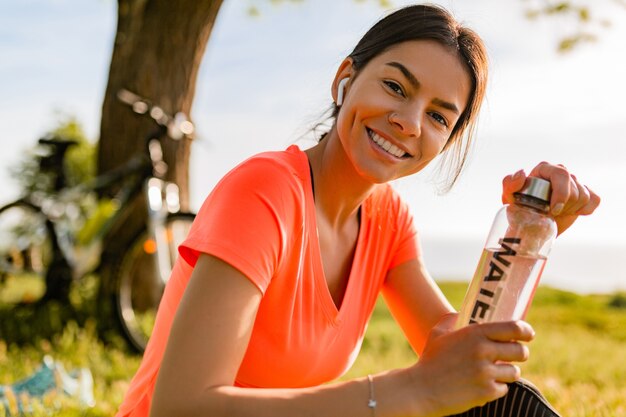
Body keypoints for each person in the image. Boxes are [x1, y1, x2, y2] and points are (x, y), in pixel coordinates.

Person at [116, 4, 600, 417]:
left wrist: (530, 233)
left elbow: (457, 349)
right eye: (395, 87)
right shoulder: (265, 192)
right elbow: (180, 407)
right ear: (344, 79)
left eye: (437, 116)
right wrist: (407, 390)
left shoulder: (388, 219)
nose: (408, 122)